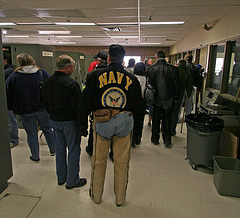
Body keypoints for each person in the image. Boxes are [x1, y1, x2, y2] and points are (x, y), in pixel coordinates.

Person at [79, 44, 144, 206]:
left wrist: (83, 125)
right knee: (121, 162)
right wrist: (137, 133)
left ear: (108, 58)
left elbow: (85, 102)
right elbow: (139, 108)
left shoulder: (94, 76)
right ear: (123, 60)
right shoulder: (133, 79)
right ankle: (120, 199)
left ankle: (96, 196)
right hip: (125, 121)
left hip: (102, 121)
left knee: (98, 161)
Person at [42, 54, 87, 189]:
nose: (73, 69)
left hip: (54, 121)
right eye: (72, 67)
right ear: (67, 67)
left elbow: (45, 102)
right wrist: (83, 126)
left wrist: (52, 114)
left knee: (60, 149)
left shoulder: (47, 82)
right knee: (73, 150)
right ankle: (72, 180)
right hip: (70, 122)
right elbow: (79, 107)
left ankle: (61, 177)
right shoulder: (71, 84)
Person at [6, 53, 55, 162]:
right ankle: (53, 149)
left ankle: (35, 156)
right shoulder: (41, 73)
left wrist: (11, 108)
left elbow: (8, 93)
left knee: (32, 133)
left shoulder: (14, 76)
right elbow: (50, 88)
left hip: (25, 110)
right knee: (47, 129)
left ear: (20, 62)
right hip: (42, 108)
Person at [147, 50, 180, 148]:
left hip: (155, 97)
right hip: (168, 98)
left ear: (156, 57)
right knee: (167, 119)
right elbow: (176, 84)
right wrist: (176, 97)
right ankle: (167, 140)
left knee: (156, 119)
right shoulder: (172, 68)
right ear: (165, 57)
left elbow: (149, 84)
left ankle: (155, 139)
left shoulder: (151, 68)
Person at [85, 50, 108, 157]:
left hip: (96, 107)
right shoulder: (111, 73)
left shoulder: (92, 74)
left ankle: (91, 149)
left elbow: (87, 94)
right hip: (109, 106)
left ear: (99, 61)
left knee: (94, 130)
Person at [171, 59, 193, 136]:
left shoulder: (172, 70)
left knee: (167, 113)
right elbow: (189, 87)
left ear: (178, 63)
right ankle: (172, 130)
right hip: (180, 96)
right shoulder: (188, 73)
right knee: (175, 113)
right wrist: (189, 95)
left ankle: (164, 128)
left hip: (169, 95)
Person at [3, 53, 19, 148]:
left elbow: (9, 89)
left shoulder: (9, 71)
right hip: (7, 101)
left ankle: (13, 139)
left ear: (5, 60)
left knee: (11, 121)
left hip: (8, 101)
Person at [132, 62, 147, 147]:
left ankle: (132, 138)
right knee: (140, 120)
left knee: (132, 120)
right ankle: (138, 138)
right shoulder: (146, 78)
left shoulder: (132, 78)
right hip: (142, 102)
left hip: (133, 102)